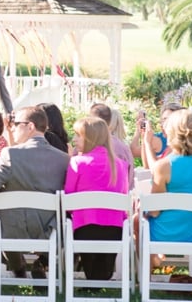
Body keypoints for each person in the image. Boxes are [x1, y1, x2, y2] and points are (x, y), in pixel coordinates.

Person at [0, 106, 70, 279]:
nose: (11, 127)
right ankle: (42, 261)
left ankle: (17, 267)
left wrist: (4, 189)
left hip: (13, 230)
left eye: (16, 123)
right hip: (49, 230)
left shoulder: (11, 155)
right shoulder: (63, 159)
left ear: (30, 126)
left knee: (3, 215)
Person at [65, 116, 129, 280]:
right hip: (114, 230)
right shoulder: (120, 165)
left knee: (93, 273)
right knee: (99, 273)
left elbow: (68, 200)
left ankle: (94, 277)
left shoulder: (77, 162)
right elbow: (124, 198)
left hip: (84, 230)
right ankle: (100, 276)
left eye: (78, 135)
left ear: (90, 138)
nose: (74, 139)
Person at [143, 109, 192, 243]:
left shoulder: (163, 166)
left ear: (171, 132)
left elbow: (155, 211)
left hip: (163, 233)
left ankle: (151, 263)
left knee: (138, 220)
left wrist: (144, 210)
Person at [90, 103, 134, 189]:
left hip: (86, 199)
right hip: (120, 199)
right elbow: (129, 182)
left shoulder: (85, 147)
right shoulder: (124, 149)